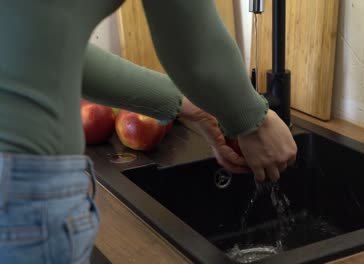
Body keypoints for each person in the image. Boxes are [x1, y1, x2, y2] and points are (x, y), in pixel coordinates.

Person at [0, 0, 297, 263]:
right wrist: (254, 119)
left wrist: (184, 105)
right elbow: (194, 46)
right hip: (19, 192)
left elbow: (41, 47)